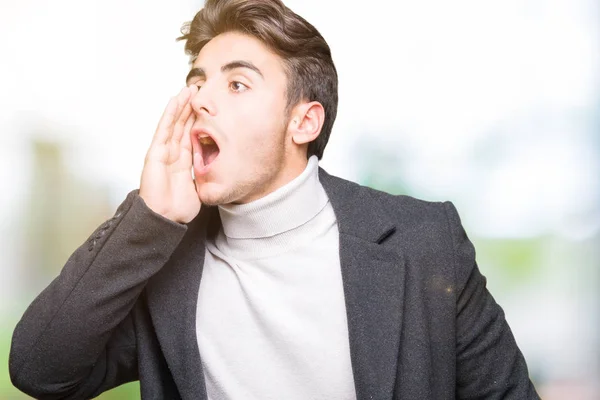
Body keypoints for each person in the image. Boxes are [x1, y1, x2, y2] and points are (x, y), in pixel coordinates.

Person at [9, 0, 540, 399]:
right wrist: (150, 218)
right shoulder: (162, 262)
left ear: (303, 121)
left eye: (238, 84)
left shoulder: (425, 241)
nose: (200, 100)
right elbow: (39, 369)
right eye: (197, 83)